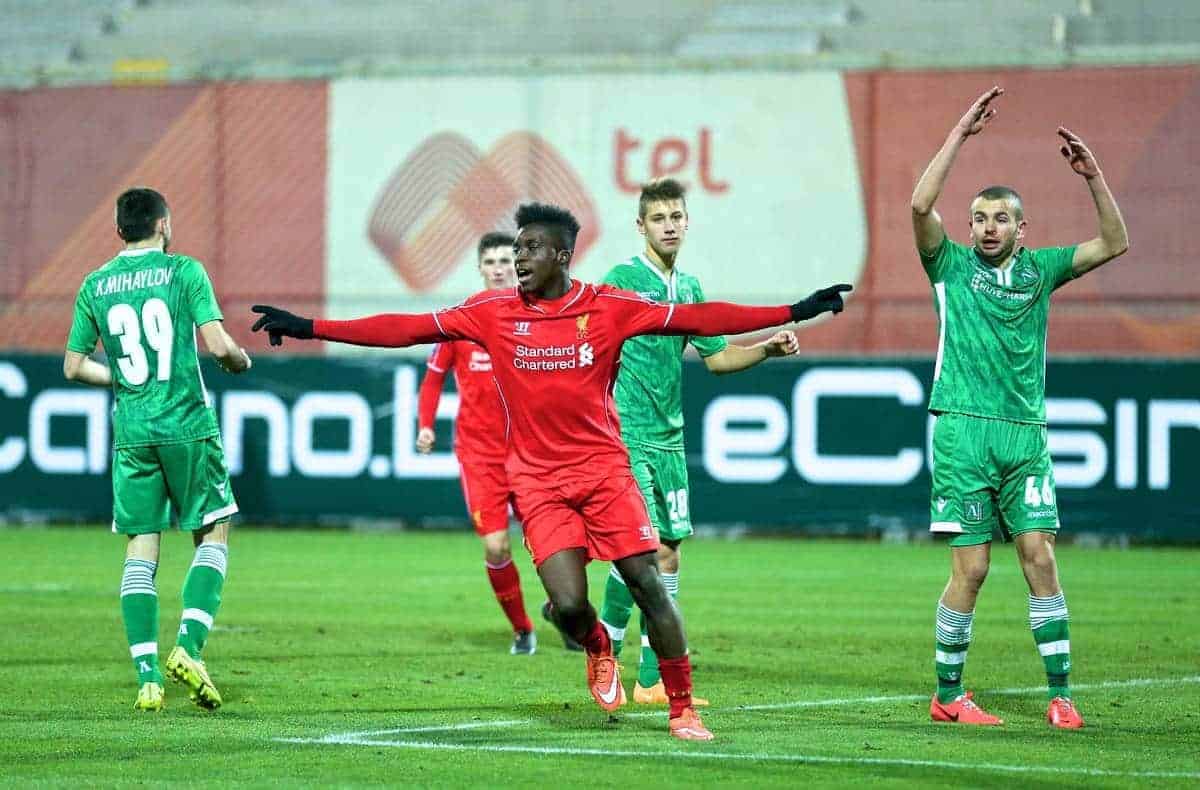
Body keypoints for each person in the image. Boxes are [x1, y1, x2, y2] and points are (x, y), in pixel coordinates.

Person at [251, 202, 851, 741]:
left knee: (646, 580)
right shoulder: (489, 312)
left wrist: (793, 311)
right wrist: (309, 327)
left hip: (605, 473)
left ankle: (683, 708)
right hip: (537, 483)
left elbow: (699, 318)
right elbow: (402, 329)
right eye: (516, 251)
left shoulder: (609, 307)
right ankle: (595, 644)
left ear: (563, 255)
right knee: (567, 607)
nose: (519, 260)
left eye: (531, 249)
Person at [911, 87, 1129, 729]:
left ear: (1020, 228)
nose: (987, 226)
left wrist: (1094, 178)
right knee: (972, 567)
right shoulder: (947, 265)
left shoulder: (1043, 270)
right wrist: (959, 134)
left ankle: (1061, 694)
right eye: (979, 217)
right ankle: (948, 695)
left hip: (1024, 435)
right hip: (961, 430)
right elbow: (921, 204)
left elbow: (1115, 241)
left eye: (1000, 218)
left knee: (1039, 555)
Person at [592, 178, 799, 705]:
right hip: (628, 437)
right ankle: (606, 660)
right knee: (636, 551)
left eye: (676, 217)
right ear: (641, 226)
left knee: (669, 553)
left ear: (687, 223)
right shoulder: (620, 281)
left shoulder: (690, 290)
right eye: (658, 219)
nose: (669, 226)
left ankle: (650, 680)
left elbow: (718, 358)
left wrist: (766, 350)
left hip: (671, 441)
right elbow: (589, 346)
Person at [64, 187, 252, 712]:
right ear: (164, 224)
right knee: (213, 532)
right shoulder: (184, 271)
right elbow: (217, 345)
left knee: (141, 550)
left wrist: (123, 381)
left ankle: (148, 677)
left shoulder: (95, 284)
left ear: (118, 229)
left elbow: (74, 366)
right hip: (188, 426)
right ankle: (189, 648)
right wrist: (239, 361)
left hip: (134, 432)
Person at [416, 232, 536, 655]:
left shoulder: (537, 316)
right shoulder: (462, 319)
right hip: (479, 453)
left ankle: (565, 607)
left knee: (552, 544)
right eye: (492, 262)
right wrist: (425, 425)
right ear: (481, 269)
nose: (501, 268)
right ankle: (523, 629)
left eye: (507, 260)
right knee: (496, 544)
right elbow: (433, 377)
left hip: (532, 451)